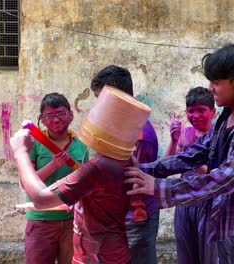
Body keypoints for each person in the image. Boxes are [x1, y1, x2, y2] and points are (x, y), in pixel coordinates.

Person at [125, 43, 234, 264]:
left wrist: (160, 188)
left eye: (216, 82)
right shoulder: (226, 118)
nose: (210, 88)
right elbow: (191, 156)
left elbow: (228, 176)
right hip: (224, 221)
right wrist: (142, 169)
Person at [10, 85, 151, 263]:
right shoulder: (127, 161)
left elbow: (40, 198)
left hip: (96, 255)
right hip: (115, 251)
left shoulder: (97, 167)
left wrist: (20, 152)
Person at [90, 65, 160, 264]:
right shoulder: (119, 127)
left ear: (117, 97)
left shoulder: (139, 136)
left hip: (135, 219)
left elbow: (129, 185)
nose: (98, 107)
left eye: (100, 99)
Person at [24, 93, 88, 264]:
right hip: (41, 220)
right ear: (42, 120)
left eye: (60, 113)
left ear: (71, 115)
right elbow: (27, 183)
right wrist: (53, 165)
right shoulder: (34, 143)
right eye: (49, 116)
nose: (56, 119)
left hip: (72, 221)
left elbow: (88, 184)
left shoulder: (82, 147)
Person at [164, 87, 217, 264]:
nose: (195, 116)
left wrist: (191, 159)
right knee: (185, 257)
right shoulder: (185, 134)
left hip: (208, 205)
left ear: (213, 112)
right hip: (185, 203)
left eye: (201, 110)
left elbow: (218, 174)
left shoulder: (218, 136)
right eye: (191, 111)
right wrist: (173, 140)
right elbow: (166, 165)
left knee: (208, 257)